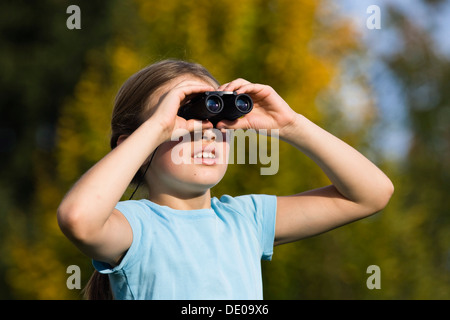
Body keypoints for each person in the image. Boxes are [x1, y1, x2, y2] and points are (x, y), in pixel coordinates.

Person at [57, 59, 394, 300]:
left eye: (216, 121)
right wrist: (157, 128)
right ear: (137, 144)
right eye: (184, 122)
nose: (206, 135)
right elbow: (78, 219)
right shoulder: (135, 227)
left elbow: (371, 194)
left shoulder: (245, 219)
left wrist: (290, 125)